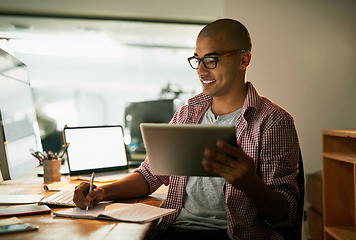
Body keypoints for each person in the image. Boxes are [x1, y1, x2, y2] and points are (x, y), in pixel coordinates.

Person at [73, 18, 301, 240]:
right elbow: (149, 174)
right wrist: (101, 192)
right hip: (173, 229)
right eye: (197, 59)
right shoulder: (187, 113)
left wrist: (250, 183)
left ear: (243, 60)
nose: (201, 70)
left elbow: (284, 216)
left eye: (211, 59)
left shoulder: (273, 121)